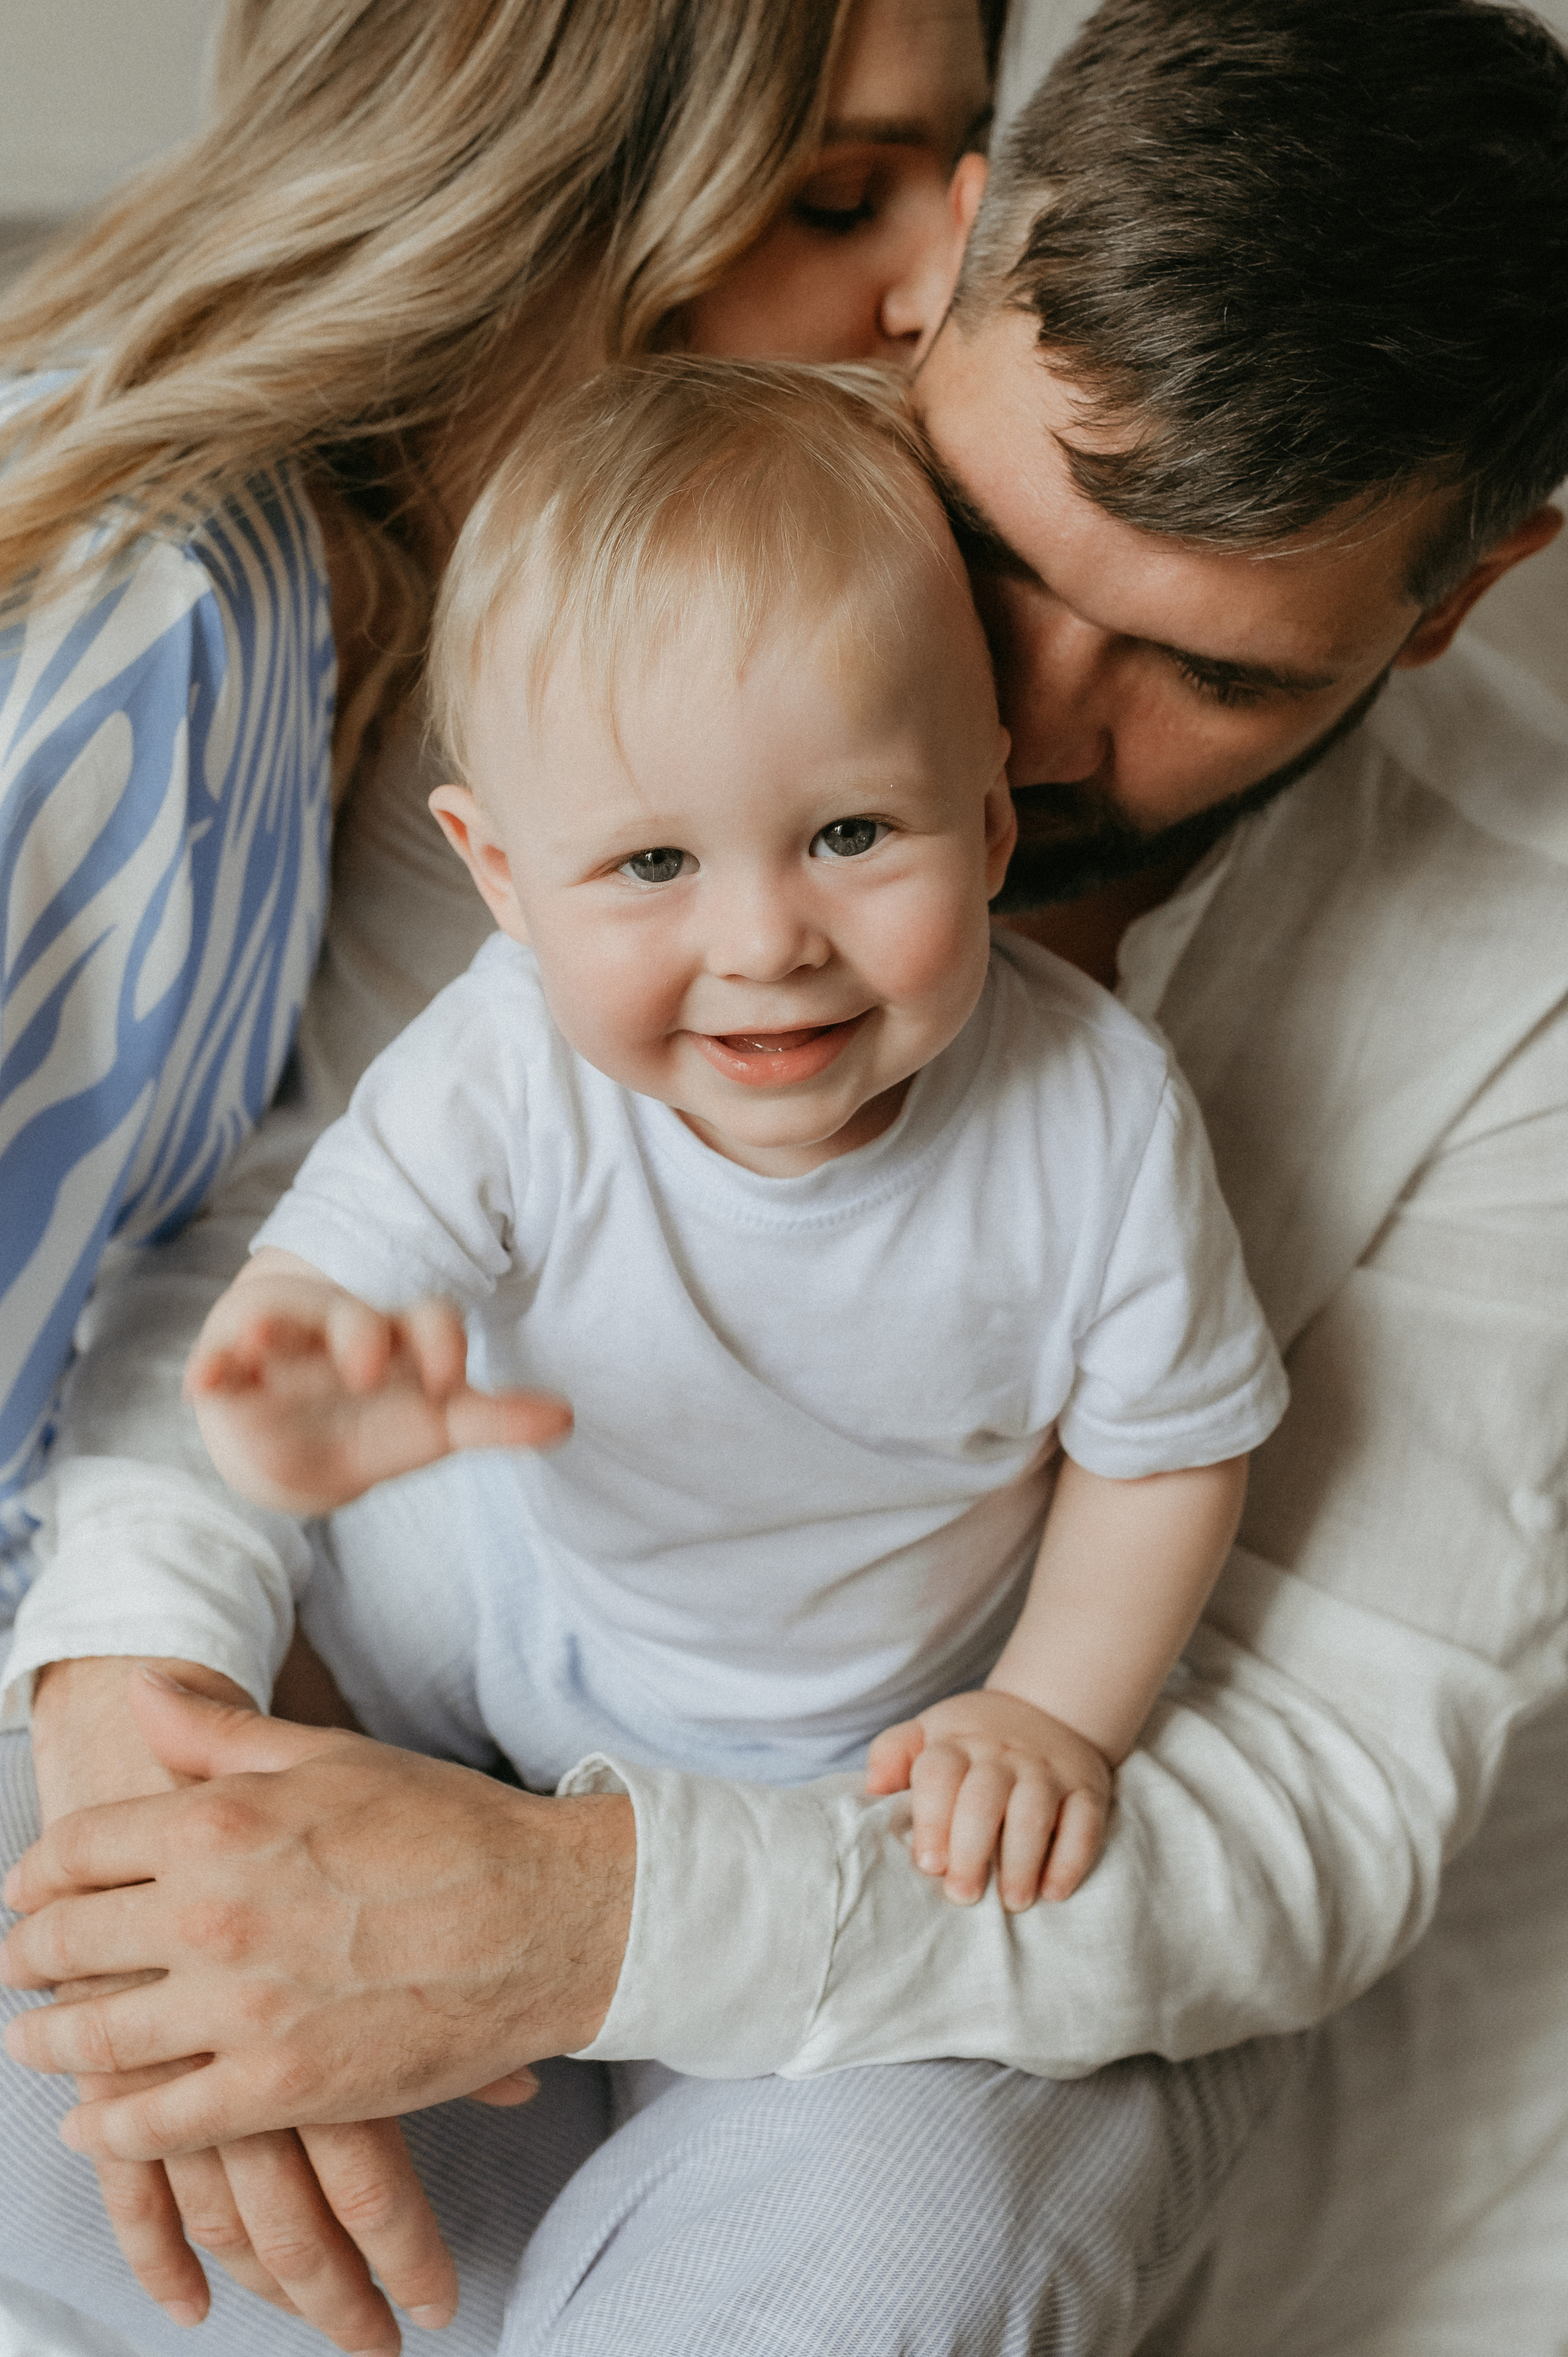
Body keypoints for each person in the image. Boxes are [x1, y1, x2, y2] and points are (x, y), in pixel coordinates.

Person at [4, 1, 1568, 2351]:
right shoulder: (628, 604)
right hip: (445, 1675)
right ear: (936, 279)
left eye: (1204, 674)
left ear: (1460, 590)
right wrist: (144, 1716)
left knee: (913, 2244)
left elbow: (1310, 1803)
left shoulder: (1512, 979)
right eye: (997, 546)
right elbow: (268, 1251)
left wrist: (588, 1910)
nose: (1029, 726)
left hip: (950, 1902)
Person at [0, 0, 1000, 2348]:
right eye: (838, 196)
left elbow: (226, 1240)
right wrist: (133, 1776)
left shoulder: (439, 641)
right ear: (549, 204)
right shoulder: (169, 620)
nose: (944, 284)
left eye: (968, 168)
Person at [186, 357, 1286, 1916]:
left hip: (857, 1729)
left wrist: (1050, 1710)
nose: (765, 942)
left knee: (915, 1929)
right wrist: (285, 1400)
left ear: (986, 823)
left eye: (850, 834)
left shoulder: (1096, 1118)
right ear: (500, 873)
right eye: (650, 861)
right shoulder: (505, 1058)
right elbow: (327, 1270)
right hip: (517, 1600)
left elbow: (1166, 1456)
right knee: (272, 1692)